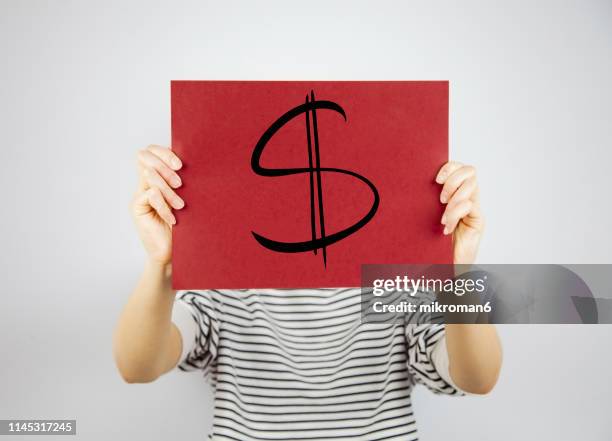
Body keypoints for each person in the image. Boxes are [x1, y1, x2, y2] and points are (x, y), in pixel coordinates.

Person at [113, 145, 502, 441]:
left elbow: (478, 378)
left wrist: (458, 271)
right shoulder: (226, 285)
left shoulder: (395, 285)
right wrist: (164, 263)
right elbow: (138, 366)